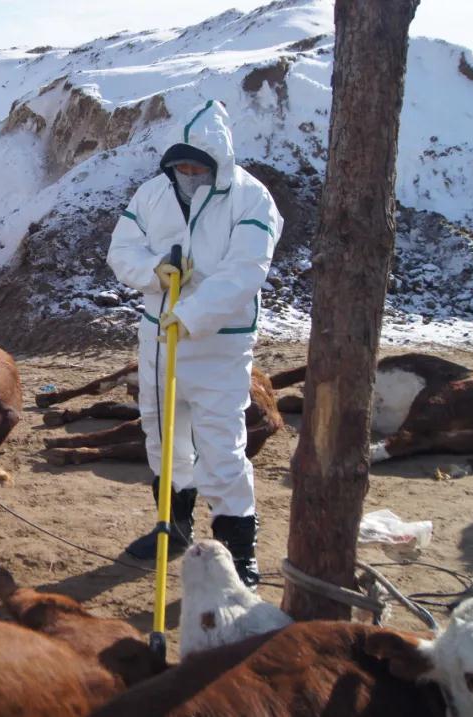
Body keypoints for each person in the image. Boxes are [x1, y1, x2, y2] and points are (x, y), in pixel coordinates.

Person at [106, 100, 283, 587]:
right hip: (158, 339)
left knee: (221, 448)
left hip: (217, 347)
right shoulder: (152, 195)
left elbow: (246, 270)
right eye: (180, 164)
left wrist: (192, 315)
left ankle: (236, 553)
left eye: (197, 165)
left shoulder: (251, 200)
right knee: (162, 438)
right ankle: (173, 527)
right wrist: (155, 272)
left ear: (218, 161)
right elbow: (121, 250)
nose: (187, 173)